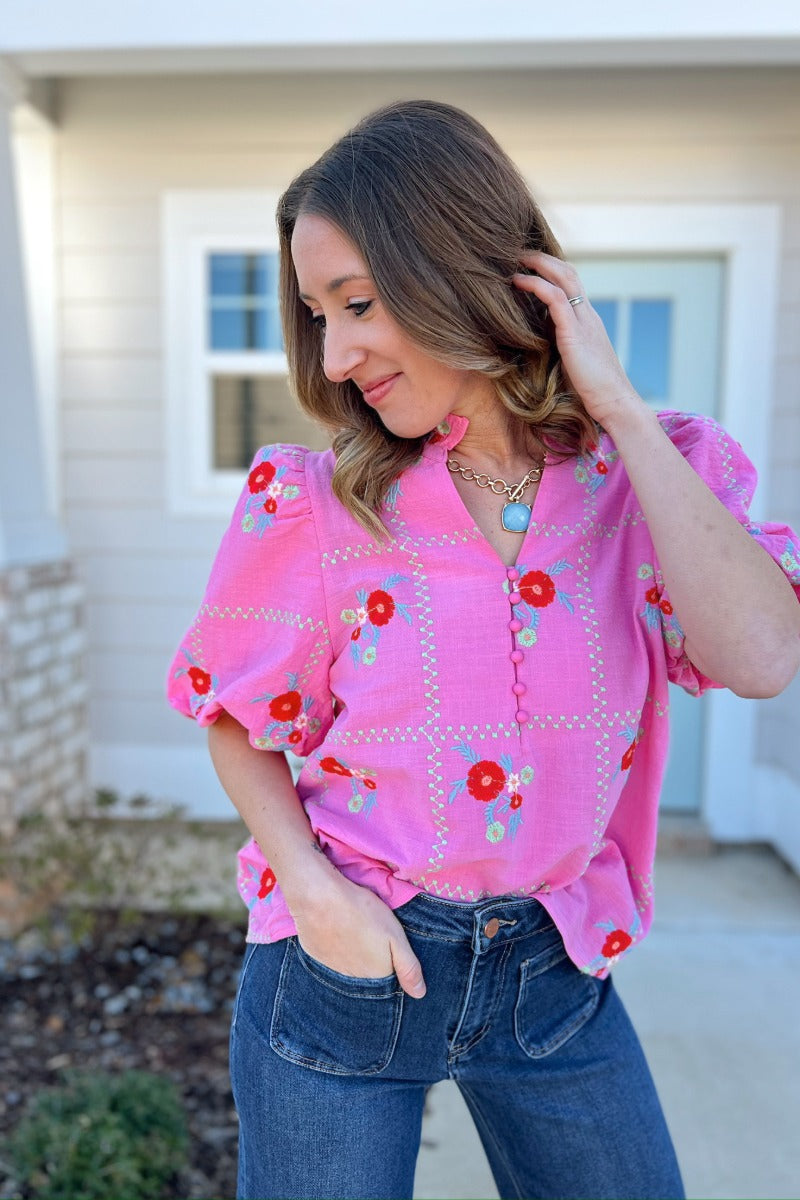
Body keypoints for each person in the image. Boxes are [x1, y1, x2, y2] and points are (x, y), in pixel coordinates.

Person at [166, 100, 800, 1200]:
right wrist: (313, 893)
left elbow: (759, 657)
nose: (336, 354)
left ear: (457, 268)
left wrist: (619, 409)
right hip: (349, 967)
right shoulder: (318, 505)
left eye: (357, 304)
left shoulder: (649, 482)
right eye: (317, 316)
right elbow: (235, 717)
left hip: (557, 973)